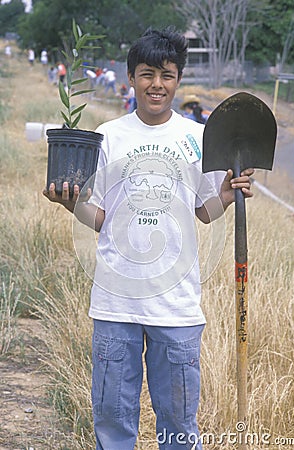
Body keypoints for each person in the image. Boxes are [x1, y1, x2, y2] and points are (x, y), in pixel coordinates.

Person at [44, 26, 254, 450]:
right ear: (130, 78)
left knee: (178, 423)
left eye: (167, 75)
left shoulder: (197, 138)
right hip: (115, 302)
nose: (156, 85)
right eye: (146, 74)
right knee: (112, 418)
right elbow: (101, 217)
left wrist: (227, 198)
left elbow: (202, 214)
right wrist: (70, 205)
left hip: (176, 308)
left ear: (178, 80)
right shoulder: (108, 136)